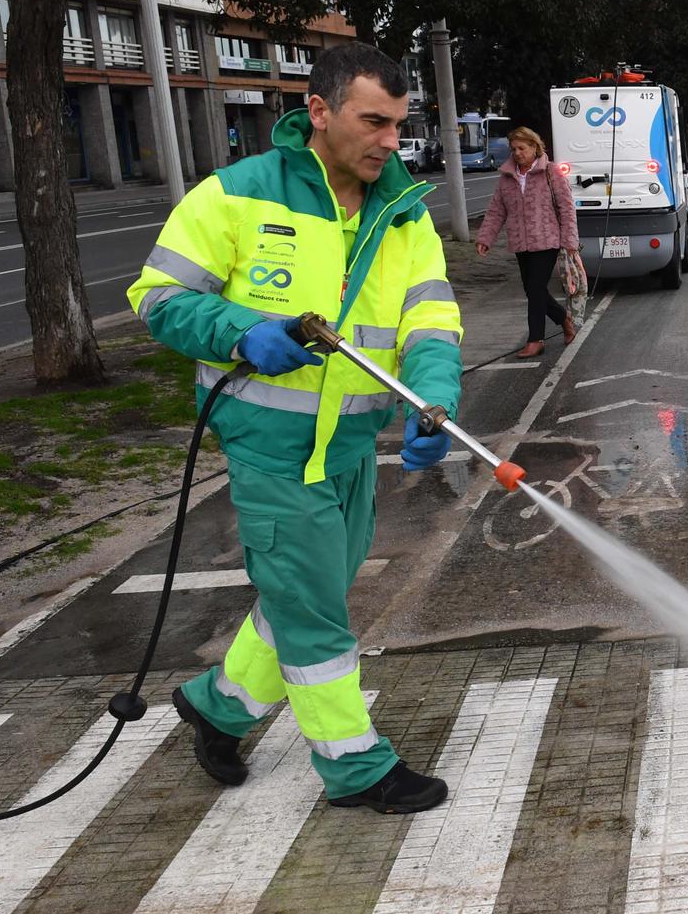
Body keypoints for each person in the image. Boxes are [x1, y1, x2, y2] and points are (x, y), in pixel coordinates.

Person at [128, 43, 462, 816]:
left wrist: (432, 394)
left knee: (303, 595)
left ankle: (217, 707)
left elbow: (432, 319)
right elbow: (158, 297)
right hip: (269, 447)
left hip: (349, 446)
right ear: (318, 110)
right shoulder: (238, 196)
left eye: (400, 124)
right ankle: (355, 765)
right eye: (372, 121)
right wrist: (244, 333)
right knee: (315, 609)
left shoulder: (403, 213)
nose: (391, 140)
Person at [475, 126, 579, 358]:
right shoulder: (506, 177)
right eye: (514, 149)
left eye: (522, 148)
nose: (518, 153)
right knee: (532, 289)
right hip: (520, 243)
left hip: (547, 240)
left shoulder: (551, 173)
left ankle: (535, 340)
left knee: (535, 288)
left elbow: (567, 209)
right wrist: (485, 238)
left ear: (534, 147)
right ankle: (565, 320)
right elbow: (496, 211)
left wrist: (569, 240)